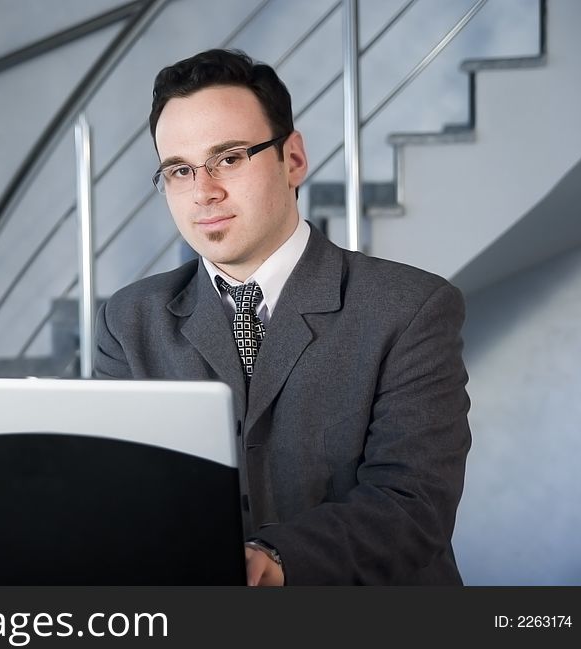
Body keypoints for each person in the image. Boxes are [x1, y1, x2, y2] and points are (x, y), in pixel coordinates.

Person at [94, 49, 471, 585]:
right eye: (179, 170)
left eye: (228, 158)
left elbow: (412, 504)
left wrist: (275, 559)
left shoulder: (411, 308)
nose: (204, 191)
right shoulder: (128, 322)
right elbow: (116, 494)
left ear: (292, 159)